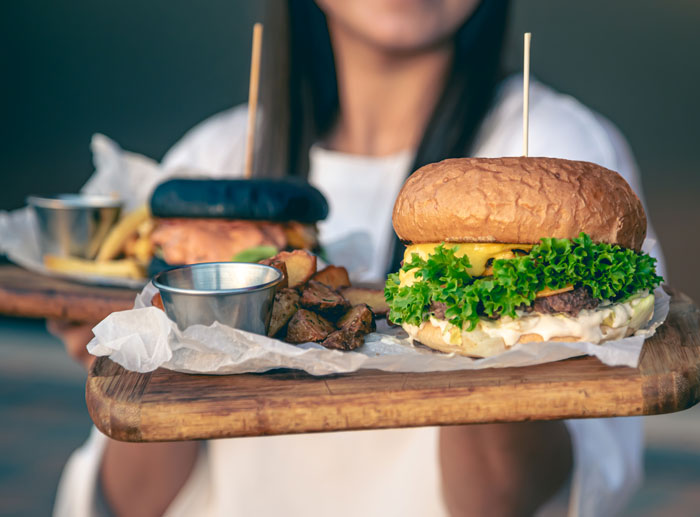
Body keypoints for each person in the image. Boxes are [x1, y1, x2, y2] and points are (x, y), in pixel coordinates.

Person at [53, 1, 664, 515]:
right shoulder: (215, 159)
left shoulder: (555, 146)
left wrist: (493, 342)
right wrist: (154, 358)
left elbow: (538, 497)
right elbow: (128, 503)